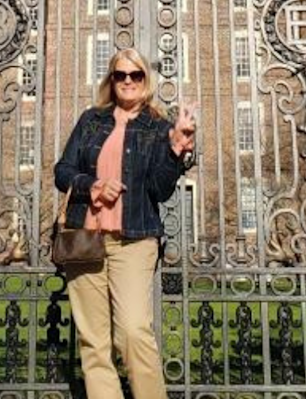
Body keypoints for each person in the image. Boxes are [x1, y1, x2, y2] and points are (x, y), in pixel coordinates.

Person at [53, 47, 197, 399]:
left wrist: (175, 150)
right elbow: (63, 171)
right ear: (112, 80)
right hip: (85, 238)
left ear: (145, 80)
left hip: (134, 240)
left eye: (136, 75)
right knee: (94, 341)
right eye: (121, 75)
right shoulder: (91, 120)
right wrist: (92, 185)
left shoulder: (159, 127)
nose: (128, 81)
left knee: (133, 332)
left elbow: (160, 190)